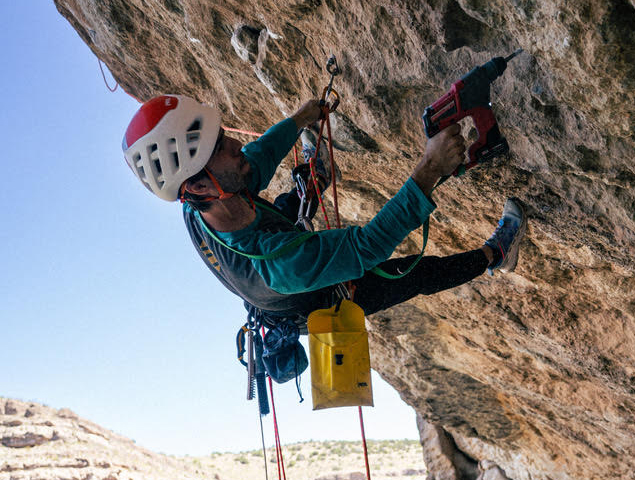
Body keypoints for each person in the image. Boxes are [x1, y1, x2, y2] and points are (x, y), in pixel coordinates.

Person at [121, 94, 526, 333]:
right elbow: (367, 247)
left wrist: (300, 119)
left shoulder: (201, 201)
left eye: (225, 138)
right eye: (223, 147)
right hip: (316, 301)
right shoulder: (280, 265)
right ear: (200, 186)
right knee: (414, 275)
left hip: (273, 256)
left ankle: (317, 175)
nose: (235, 147)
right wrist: (429, 169)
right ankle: (499, 255)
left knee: (283, 208)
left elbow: (255, 161)